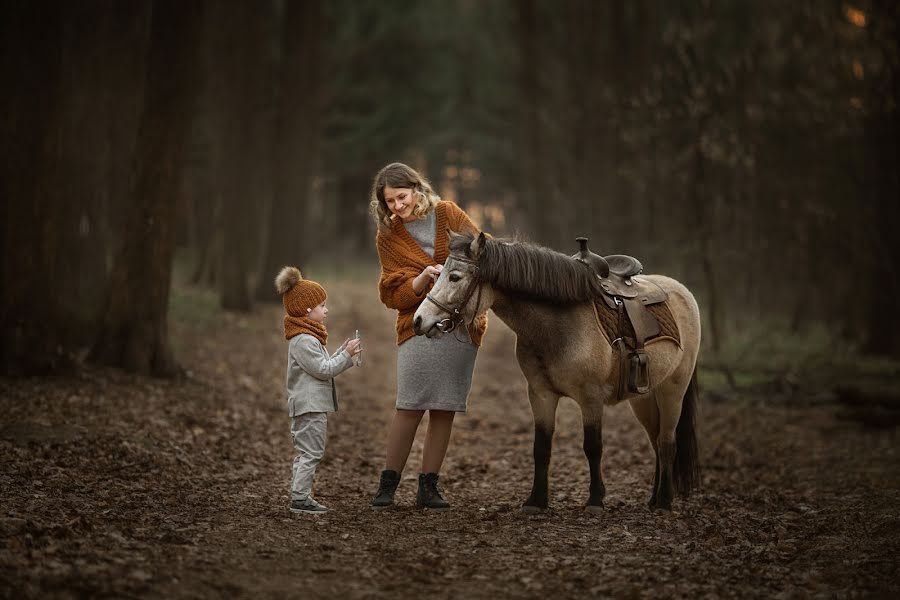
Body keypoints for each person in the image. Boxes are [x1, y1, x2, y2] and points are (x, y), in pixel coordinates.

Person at [368, 162, 488, 511]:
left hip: (460, 325)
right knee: (409, 405)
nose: (397, 207)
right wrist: (422, 279)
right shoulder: (388, 237)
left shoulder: (447, 213)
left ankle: (428, 488)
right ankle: (387, 486)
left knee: (444, 409)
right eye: (389, 201)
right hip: (416, 324)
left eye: (401, 197)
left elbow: (483, 250)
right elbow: (392, 295)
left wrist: (453, 272)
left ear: (417, 189)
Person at [275, 266, 362, 514]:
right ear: (306, 309)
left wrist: (340, 352)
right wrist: (345, 356)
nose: (326, 310)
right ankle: (300, 499)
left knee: (308, 452)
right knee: (311, 452)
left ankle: (299, 495)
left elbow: (320, 365)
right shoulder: (303, 339)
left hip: (310, 405)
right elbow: (323, 370)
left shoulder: (307, 336)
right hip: (309, 406)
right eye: (322, 305)